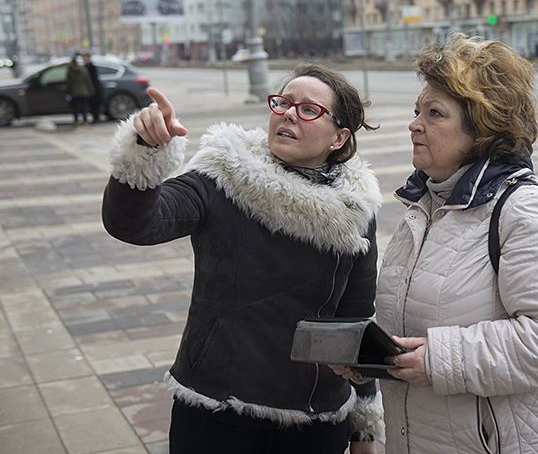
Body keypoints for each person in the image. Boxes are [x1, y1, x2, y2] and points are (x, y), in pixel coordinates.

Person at [333, 34, 538, 453]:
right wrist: (372, 356)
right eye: (417, 110)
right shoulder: (425, 207)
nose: (415, 123)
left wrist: (440, 361)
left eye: (435, 113)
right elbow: (424, 323)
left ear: (483, 127)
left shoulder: (526, 211)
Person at [101, 63, 384, 454]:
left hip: (315, 421)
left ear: (339, 137)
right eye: (283, 103)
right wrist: (146, 150)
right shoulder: (222, 176)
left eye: (308, 109)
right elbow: (136, 224)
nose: (287, 113)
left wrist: (364, 429)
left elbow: (354, 319)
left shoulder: (355, 209)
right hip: (217, 412)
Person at [66, 53, 95, 127]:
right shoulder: (84, 70)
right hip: (84, 91)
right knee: (84, 107)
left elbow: (69, 82)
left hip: (74, 92)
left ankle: (76, 121)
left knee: (75, 107)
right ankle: (85, 121)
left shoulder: (70, 70)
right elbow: (88, 80)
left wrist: (68, 91)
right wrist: (91, 89)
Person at [82, 52, 104, 123]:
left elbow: (94, 79)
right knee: (91, 105)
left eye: (86, 58)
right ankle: (95, 117)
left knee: (96, 104)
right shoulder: (84, 67)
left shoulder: (92, 67)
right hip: (89, 88)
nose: (85, 59)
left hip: (95, 88)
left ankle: (96, 118)